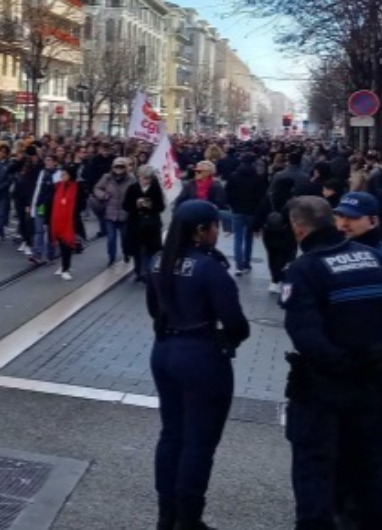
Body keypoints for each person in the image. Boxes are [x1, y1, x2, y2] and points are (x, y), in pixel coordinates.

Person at [281, 197, 382, 530]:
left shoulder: (305, 268)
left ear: (298, 227)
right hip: (371, 382)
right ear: (332, 223)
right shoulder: (378, 259)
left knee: (314, 466)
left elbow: (305, 334)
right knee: (366, 463)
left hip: (323, 387)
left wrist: (341, 362)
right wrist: (376, 353)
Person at [147, 200, 250, 530]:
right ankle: (188, 519)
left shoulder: (159, 260)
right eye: (215, 226)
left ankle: (167, 515)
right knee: (199, 442)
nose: (218, 232)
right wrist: (228, 339)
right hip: (201, 354)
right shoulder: (209, 268)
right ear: (203, 230)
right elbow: (235, 322)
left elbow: (153, 308)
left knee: (172, 434)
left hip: (164, 350)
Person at [225, 154, 268, 276]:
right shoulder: (258, 178)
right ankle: (246, 263)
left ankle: (238, 266)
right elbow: (262, 197)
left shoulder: (234, 176)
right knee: (248, 238)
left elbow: (228, 193)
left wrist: (232, 206)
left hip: (237, 210)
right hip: (252, 212)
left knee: (237, 238)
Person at [124, 165, 166, 283]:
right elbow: (125, 205)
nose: (145, 181)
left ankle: (149, 272)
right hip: (136, 224)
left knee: (151, 250)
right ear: (139, 177)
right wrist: (136, 205)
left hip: (151, 225)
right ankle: (139, 272)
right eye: (143, 178)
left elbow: (161, 207)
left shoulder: (155, 189)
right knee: (138, 250)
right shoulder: (132, 188)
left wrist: (151, 205)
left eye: (148, 178)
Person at [258, 177, 299, 296]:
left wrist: (256, 227)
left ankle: (274, 279)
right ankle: (281, 278)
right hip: (287, 232)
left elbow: (260, 212)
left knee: (272, 256)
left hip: (269, 232)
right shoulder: (292, 201)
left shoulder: (269, 197)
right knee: (284, 256)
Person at [95, 157, 135, 266]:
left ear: (125, 168)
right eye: (116, 166)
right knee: (111, 238)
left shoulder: (131, 179)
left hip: (124, 214)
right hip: (110, 213)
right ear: (112, 167)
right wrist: (103, 195)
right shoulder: (107, 177)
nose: (119, 169)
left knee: (124, 238)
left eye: (121, 166)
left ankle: (126, 253)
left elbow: (136, 191)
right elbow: (97, 188)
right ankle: (111, 257)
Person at [51, 163, 86, 281]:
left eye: (64, 174)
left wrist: (74, 212)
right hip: (59, 219)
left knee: (67, 245)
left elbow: (82, 203)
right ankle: (63, 265)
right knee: (62, 244)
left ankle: (66, 268)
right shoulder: (58, 186)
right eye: (62, 174)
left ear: (70, 175)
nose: (62, 176)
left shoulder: (78, 187)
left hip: (70, 221)